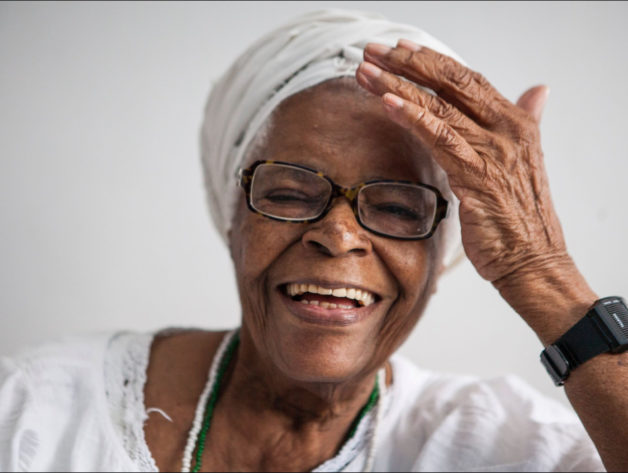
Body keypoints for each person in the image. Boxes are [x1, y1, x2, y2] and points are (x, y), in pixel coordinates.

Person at [1, 9, 626, 472]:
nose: (338, 236)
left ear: (444, 253)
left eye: (398, 206)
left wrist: (539, 270)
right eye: (290, 193)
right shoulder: (36, 413)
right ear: (232, 215)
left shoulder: (510, 447)